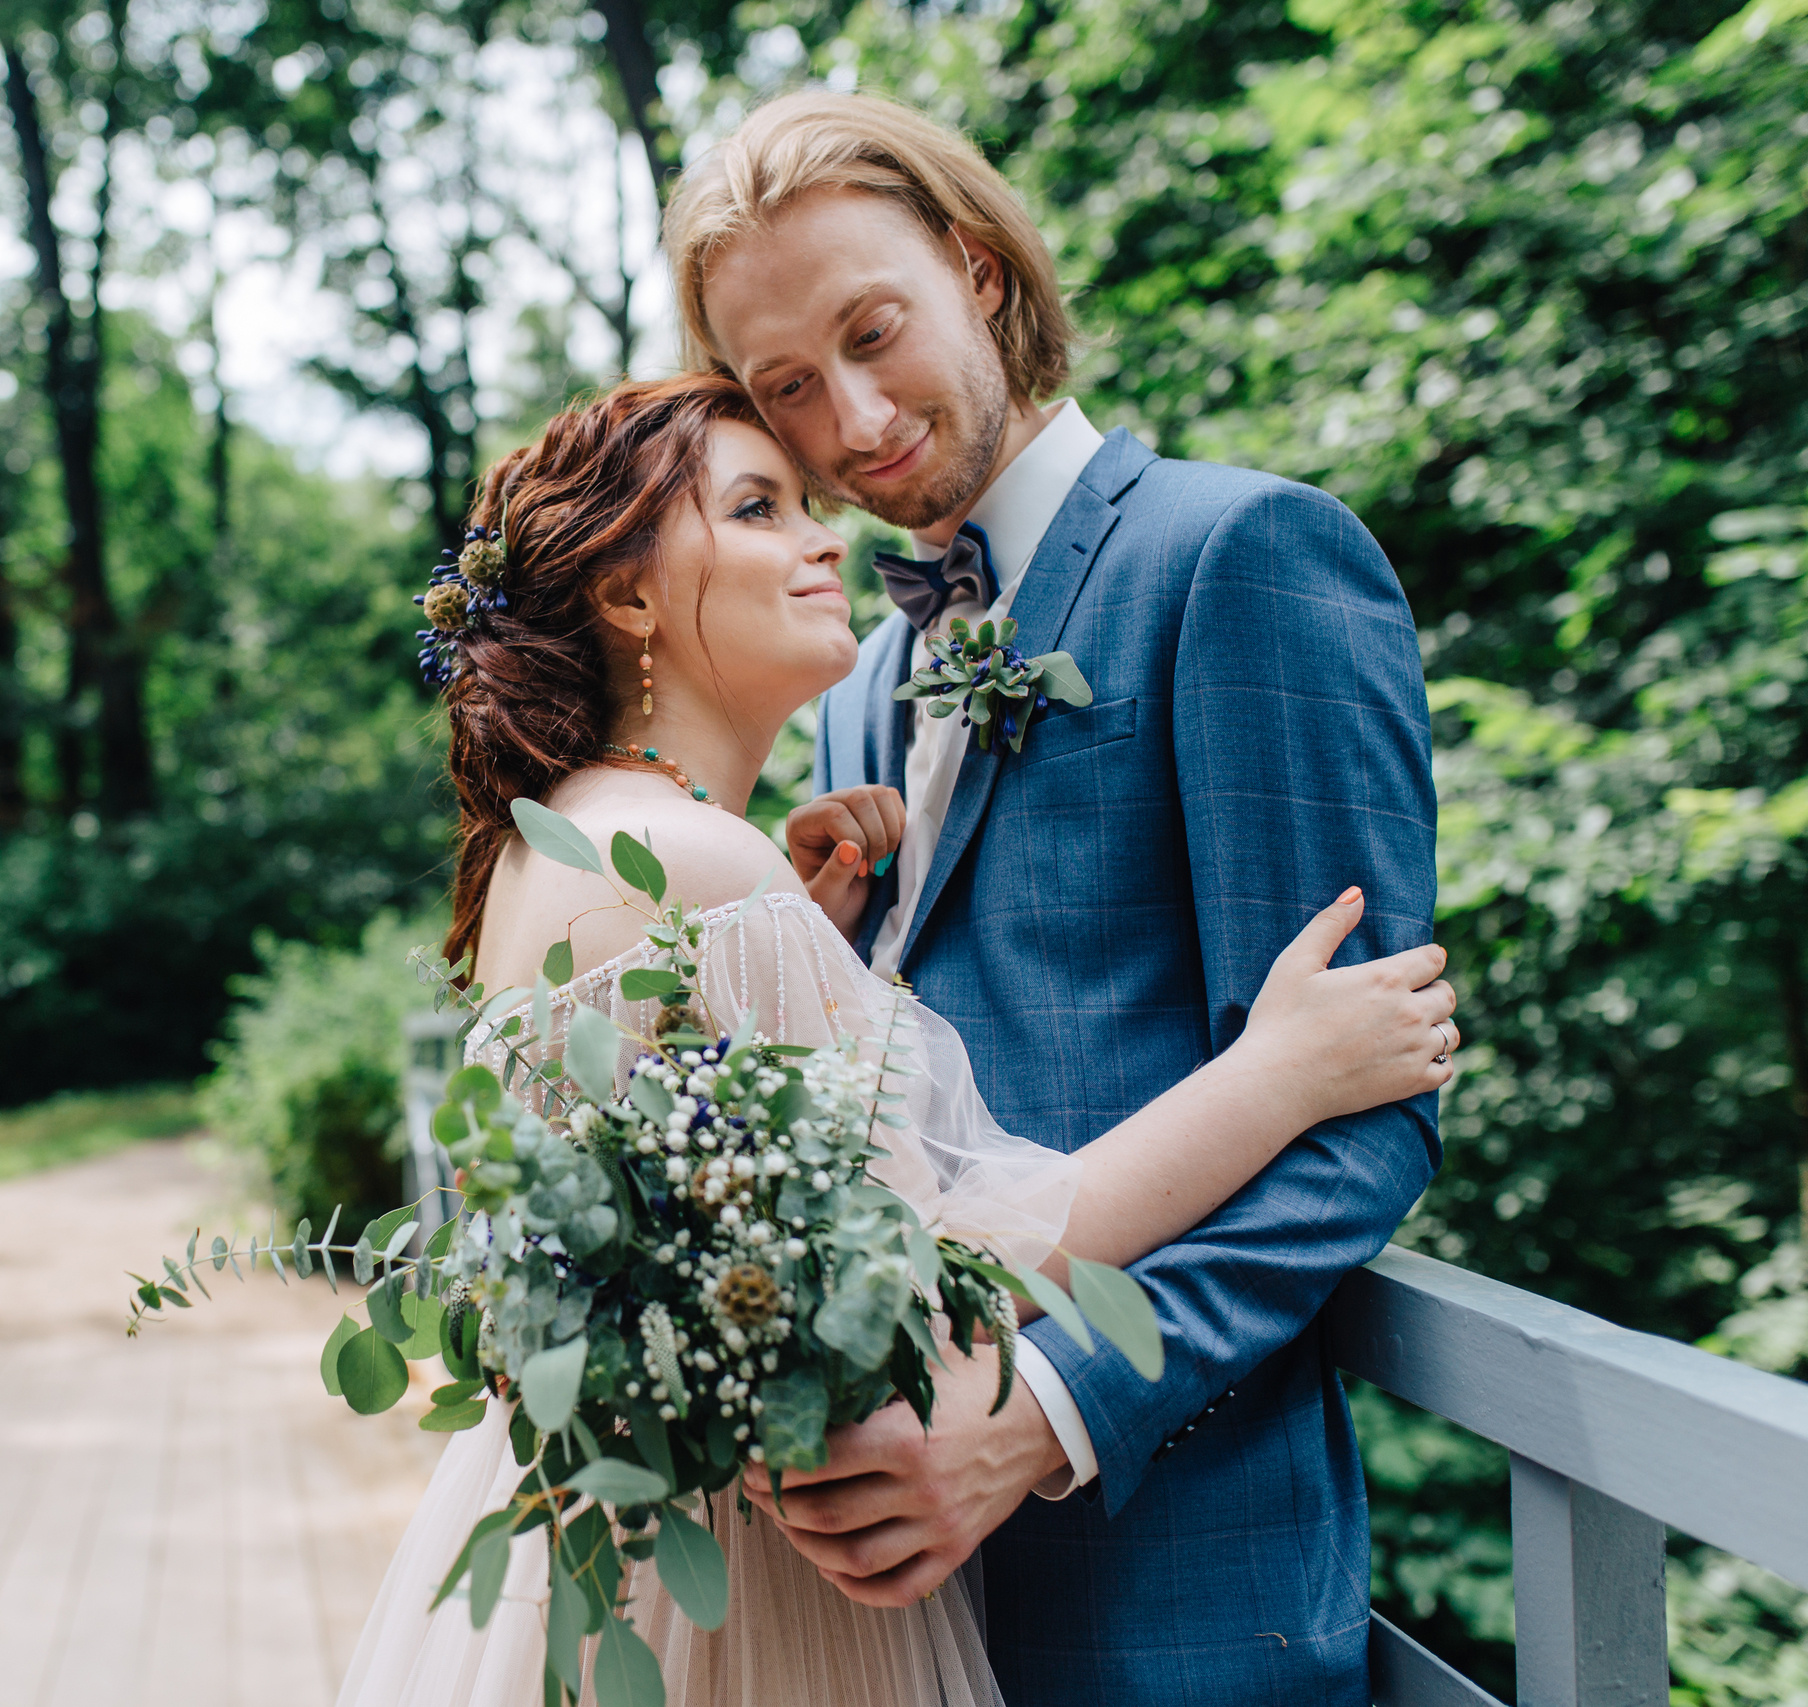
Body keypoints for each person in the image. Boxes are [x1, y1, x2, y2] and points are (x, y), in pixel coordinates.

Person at [334, 372, 1454, 1707]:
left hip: (628, 1563)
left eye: (808, 503)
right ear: (628, 596)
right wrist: (1279, 1076)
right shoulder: (705, 867)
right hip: (764, 1619)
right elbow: (930, 1279)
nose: (823, 539)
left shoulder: (575, 840)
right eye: (757, 509)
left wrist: (813, 946)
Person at [660, 91, 1442, 1705]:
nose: (852, 420)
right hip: (881, 1604)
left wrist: (1043, 1413)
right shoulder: (864, 685)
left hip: (1175, 1578)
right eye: (785, 387)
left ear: (981, 272)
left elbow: (1364, 1113)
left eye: (876, 332)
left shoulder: (1251, 556)